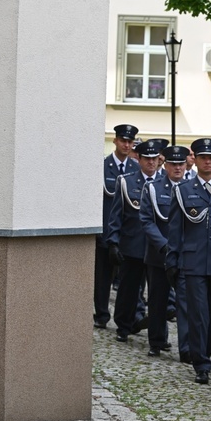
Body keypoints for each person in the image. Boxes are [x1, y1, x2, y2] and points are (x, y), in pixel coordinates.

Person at [166, 138, 211, 385]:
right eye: (203, 157)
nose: (207, 161)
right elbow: (175, 228)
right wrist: (172, 259)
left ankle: (206, 349)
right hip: (192, 262)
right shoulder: (183, 190)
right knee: (198, 314)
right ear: (197, 160)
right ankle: (201, 363)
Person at [106, 139, 162, 343]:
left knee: (157, 293)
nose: (151, 163)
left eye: (154, 159)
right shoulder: (126, 181)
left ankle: (158, 335)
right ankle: (123, 325)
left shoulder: (165, 182)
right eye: (146, 158)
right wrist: (113, 241)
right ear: (139, 159)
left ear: (159, 160)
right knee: (128, 289)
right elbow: (117, 214)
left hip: (157, 247)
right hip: (133, 244)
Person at [139, 145, 187, 358]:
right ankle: (156, 341)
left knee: (185, 304)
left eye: (181, 164)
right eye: (173, 164)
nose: (177, 168)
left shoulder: (192, 188)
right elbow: (147, 221)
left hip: (186, 255)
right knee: (158, 301)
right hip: (159, 255)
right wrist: (164, 245)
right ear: (164, 164)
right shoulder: (152, 187)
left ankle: (187, 348)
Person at [95, 124, 139, 329]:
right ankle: (102, 314)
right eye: (123, 140)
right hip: (106, 229)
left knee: (128, 279)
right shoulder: (102, 166)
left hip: (128, 233)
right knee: (103, 276)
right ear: (115, 141)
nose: (127, 145)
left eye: (130, 142)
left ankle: (126, 318)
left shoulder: (135, 169)